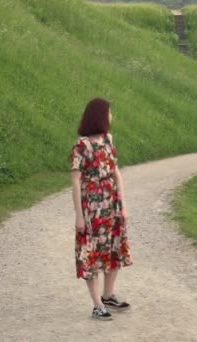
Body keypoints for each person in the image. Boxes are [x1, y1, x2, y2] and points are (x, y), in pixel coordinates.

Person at [70, 98, 133, 321]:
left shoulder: (108, 140)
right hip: (91, 209)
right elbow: (76, 182)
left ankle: (108, 296)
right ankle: (97, 305)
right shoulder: (82, 146)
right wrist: (79, 216)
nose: (111, 116)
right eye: (109, 112)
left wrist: (122, 206)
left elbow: (116, 173)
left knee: (113, 249)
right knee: (91, 253)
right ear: (99, 115)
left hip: (111, 205)